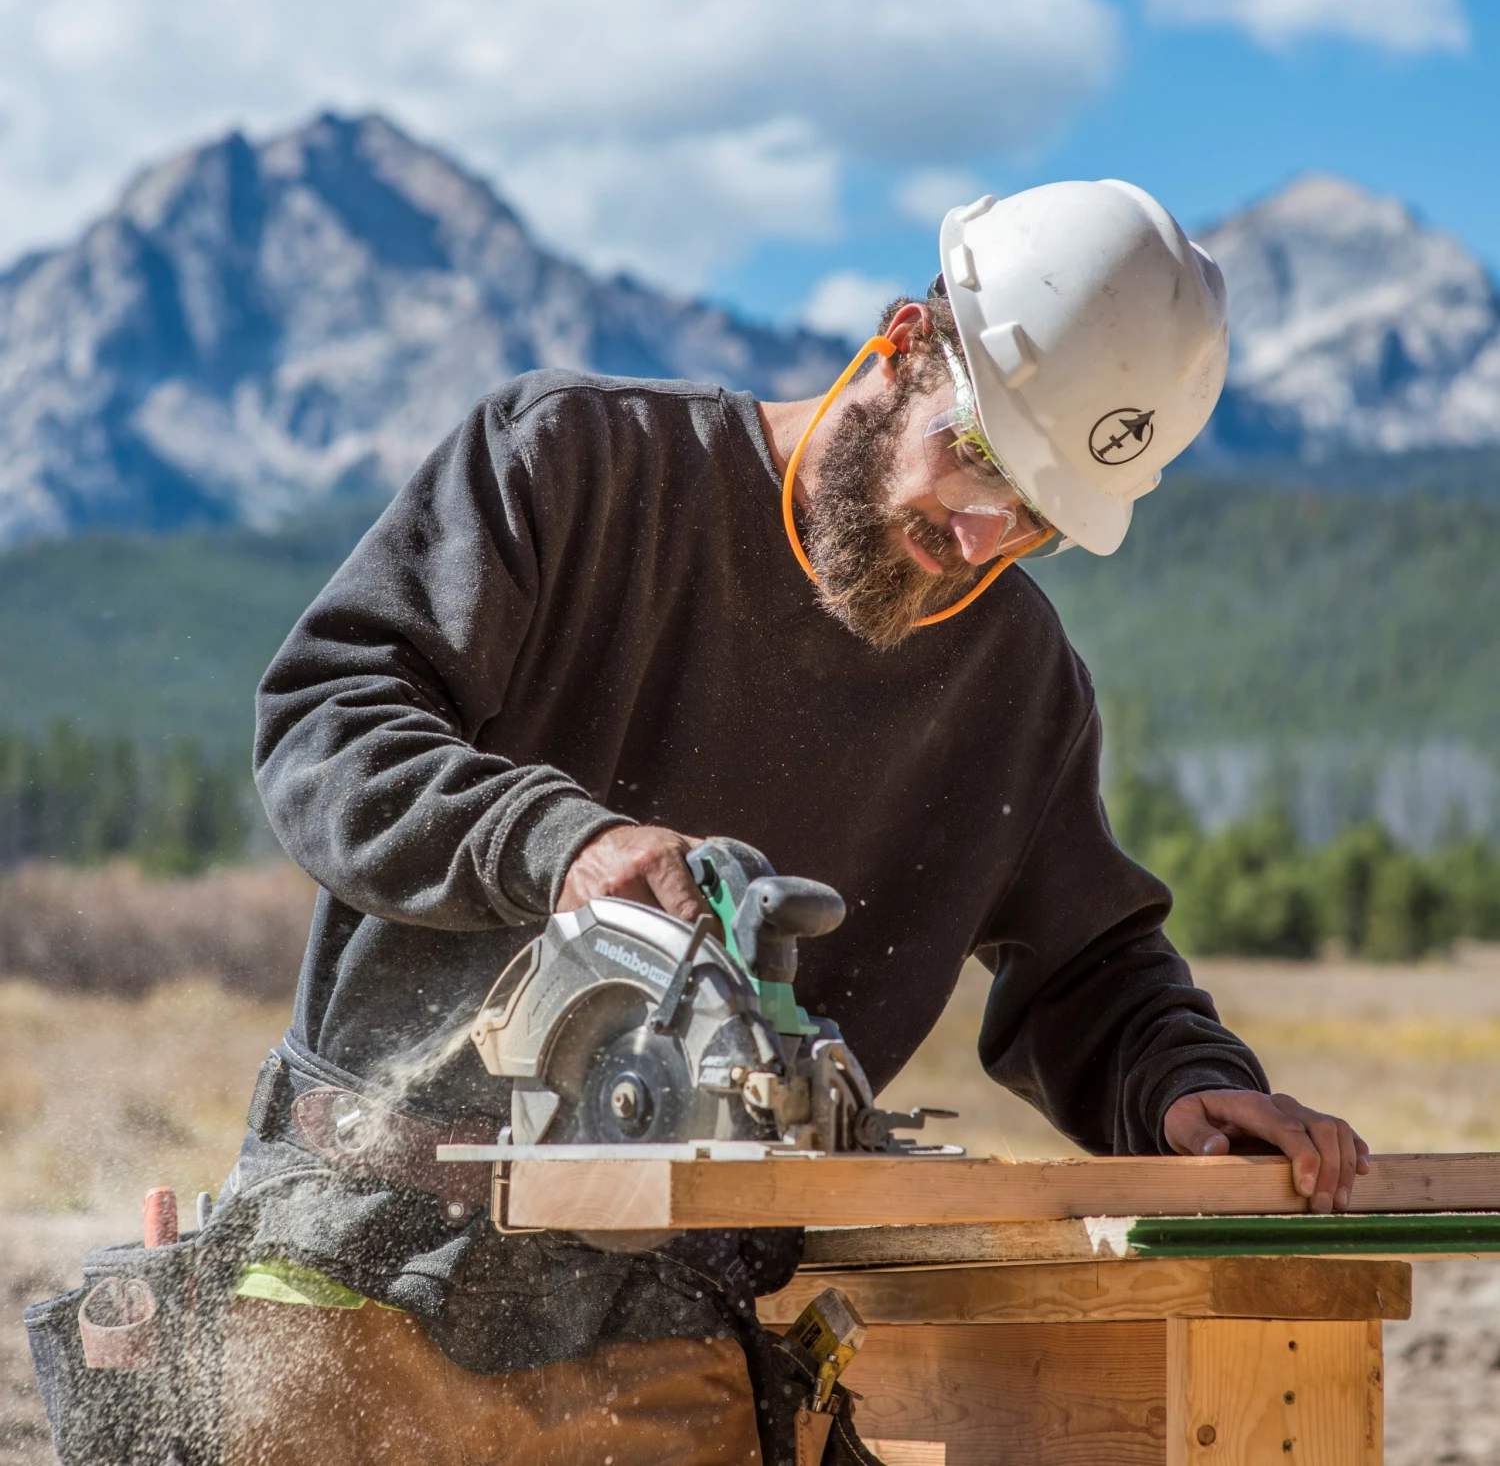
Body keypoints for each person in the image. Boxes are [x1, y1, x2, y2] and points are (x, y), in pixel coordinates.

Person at [223, 180, 1367, 1464]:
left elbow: (1092, 967)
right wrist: (558, 845)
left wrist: (1186, 1090)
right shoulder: (574, 466)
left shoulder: (1017, 688)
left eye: (1039, 520)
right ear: (898, 344)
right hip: (365, 1259)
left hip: (672, 1328)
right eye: (980, 458)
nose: (984, 535)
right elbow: (327, 718)